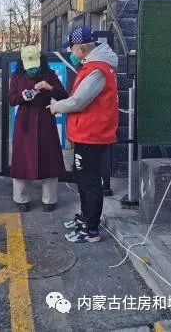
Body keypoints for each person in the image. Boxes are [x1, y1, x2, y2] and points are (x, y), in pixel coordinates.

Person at [50, 27, 119, 243]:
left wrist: (56, 107)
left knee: (90, 182)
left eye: (71, 48)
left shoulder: (97, 69)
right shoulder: (93, 66)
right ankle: (85, 218)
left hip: (92, 135)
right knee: (82, 178)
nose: (70, 52)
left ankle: (91, 229)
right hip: (87, 134)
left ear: (81, 48)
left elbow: (79, 101)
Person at [8, 45, 69, 212]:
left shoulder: (49, 75)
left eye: (35, 64)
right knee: (22, 159)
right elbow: (11, 99)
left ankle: (49, 199)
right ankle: (21, 198)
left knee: (49, 158)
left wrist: (50, 87)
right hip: (25, 120)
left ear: (41, 60)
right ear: (22, 62)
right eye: (29, 66)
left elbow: (63, 95)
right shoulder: (16, 76)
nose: (32, 69)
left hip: (45, 118)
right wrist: (22, 96)